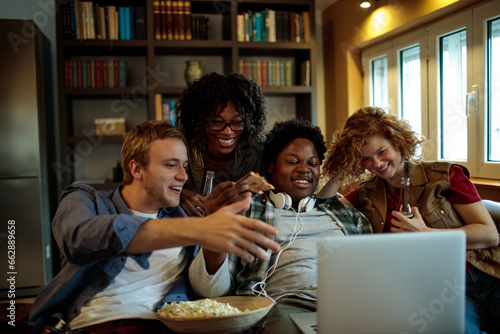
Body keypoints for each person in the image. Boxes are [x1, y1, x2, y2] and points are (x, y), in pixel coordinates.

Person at [28, 120, 280, 333]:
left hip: (170, 324)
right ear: (136, 168)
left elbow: (210, 292)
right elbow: (78, 239)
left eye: (183, 165)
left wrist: (211, 236)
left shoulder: (183, 215)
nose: (183, 176)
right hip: (101, 324)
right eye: (171, 165)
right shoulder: (86, 199)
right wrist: (196, 229)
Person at [319, 107, 500, 333]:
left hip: (489, 274)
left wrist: (425, 235)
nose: (376, 163)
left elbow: (489, 235)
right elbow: (320, 212)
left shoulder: (446, 176)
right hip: (440, 291)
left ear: (398, 142)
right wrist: (341, 170)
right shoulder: (367, 193)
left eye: (382, 152)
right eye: (366, 158)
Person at [188, 118, 372, 334]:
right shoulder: (247, 210)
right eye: (293, 161)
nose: (305, 169)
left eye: (312, 163)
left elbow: (374, 275)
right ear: (272, 167)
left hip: (349, 304)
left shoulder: (349, 216)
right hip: (287, 307)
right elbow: (208, 291)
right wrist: (214, 237)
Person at [175, 72, 267, 216]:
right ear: (199, 121)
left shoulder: (260, 150)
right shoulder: (179, 146)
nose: (227, 132)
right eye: (216, 122)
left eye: (237, 122)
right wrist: (176, 194)